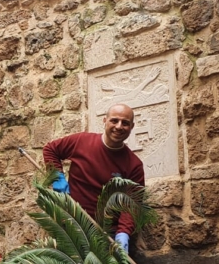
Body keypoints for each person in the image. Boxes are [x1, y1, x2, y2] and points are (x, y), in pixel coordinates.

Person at [42, 103, 145, 253]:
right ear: (105, 121)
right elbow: (51, 149)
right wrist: (57, 176)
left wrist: (123, 233)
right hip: (72, 222)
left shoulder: (134, 165)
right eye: (114, 120)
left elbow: (132, 205)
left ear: (132, 127)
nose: (119, 126)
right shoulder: (82, 141)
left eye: (125, 123)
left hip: (106, 234)